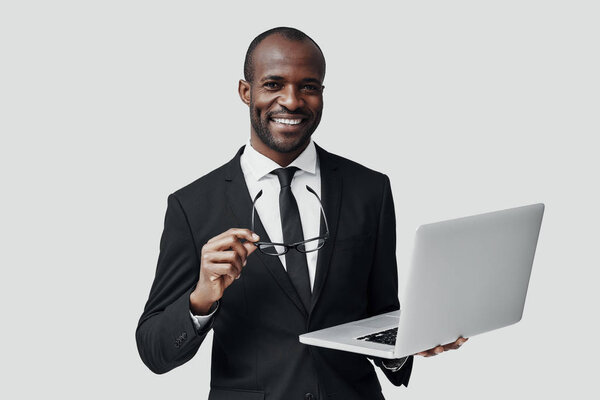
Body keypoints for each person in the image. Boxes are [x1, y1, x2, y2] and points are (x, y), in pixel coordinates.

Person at [136, 27, 467, 400]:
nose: (291, 101)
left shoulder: (369, 189)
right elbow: (154, 351)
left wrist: (409, 343)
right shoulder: (193, 204)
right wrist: (201, 298)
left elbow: (383, 313)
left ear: (322, 94)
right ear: (247, 92)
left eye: (308, 86)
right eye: (274, 84)